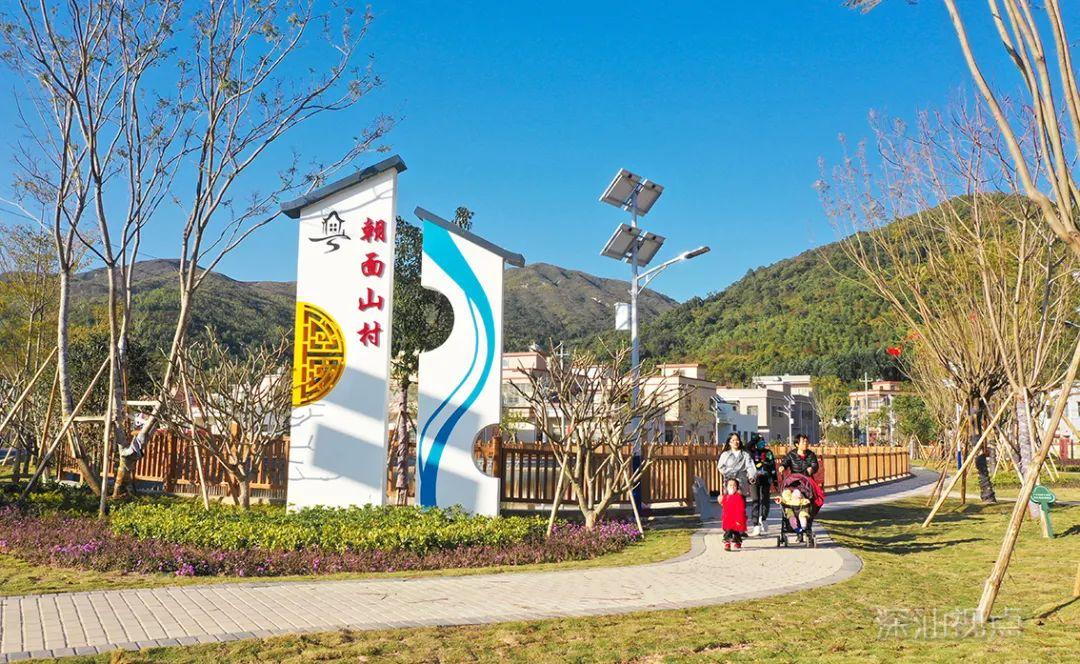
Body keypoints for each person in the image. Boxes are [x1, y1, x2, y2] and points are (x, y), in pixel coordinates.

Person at [748, 434, 777, 536]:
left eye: (763, 441)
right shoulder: (752, 452)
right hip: (754, 479)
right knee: (755, 500)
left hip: (766, 478)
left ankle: (763, 518)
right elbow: (747, 447)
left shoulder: (768, 453)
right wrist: (754, 439)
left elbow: (773, 467)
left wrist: (775, 480)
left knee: (765, 499)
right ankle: (755, 524)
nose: (762, 443)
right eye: (760, 442)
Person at [717, 432, 756, 497]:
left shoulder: (745, 454)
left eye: (737, 440)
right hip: (729, 481)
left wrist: (751, 476)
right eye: (733, 440)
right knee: (730, 500)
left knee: (740, 500)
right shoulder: (725, 454)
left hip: (742, 481)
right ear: (729, 442)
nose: (735, 442)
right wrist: (729, 472)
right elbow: (720, 467)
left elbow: (750, 466)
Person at [720, 477, 748, 551]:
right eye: (730, 485)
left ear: (737, 487)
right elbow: (723, 505)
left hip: (737, 518)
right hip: (727, 518)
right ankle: (727, 543)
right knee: (728, 531)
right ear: (726, 487)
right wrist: (720, 500)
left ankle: (738, 541)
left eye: (734, 485)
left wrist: (740, 518)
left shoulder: (739, 497)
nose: (732, 487)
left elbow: (741, 508)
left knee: (736, 532)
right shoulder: (725, 497)